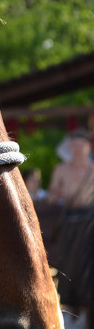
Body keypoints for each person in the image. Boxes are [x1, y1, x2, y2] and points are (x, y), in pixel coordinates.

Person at [46, 128, 94, 311]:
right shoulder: (61, 169)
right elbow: (50, 197)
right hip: (69, 219)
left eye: (80, 144)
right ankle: (69, 304)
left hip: (90, 219)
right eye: (74, 145)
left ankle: (88, 305)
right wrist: (58, 194)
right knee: (68, 262)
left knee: (88, 261)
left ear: (88, 146)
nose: (77, 148)